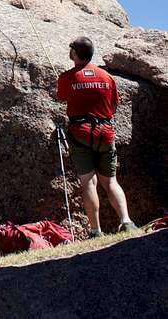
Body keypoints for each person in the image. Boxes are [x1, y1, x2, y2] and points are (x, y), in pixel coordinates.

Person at [57, 36, 137, 237]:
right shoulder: (106, 77)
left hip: (81, 132)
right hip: (105, 133)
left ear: (74, 53)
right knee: (110, 181)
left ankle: (96, 230)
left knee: (88, 183)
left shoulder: (67, 77)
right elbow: (113, 106)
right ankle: (126, 221)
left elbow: (61, 97)